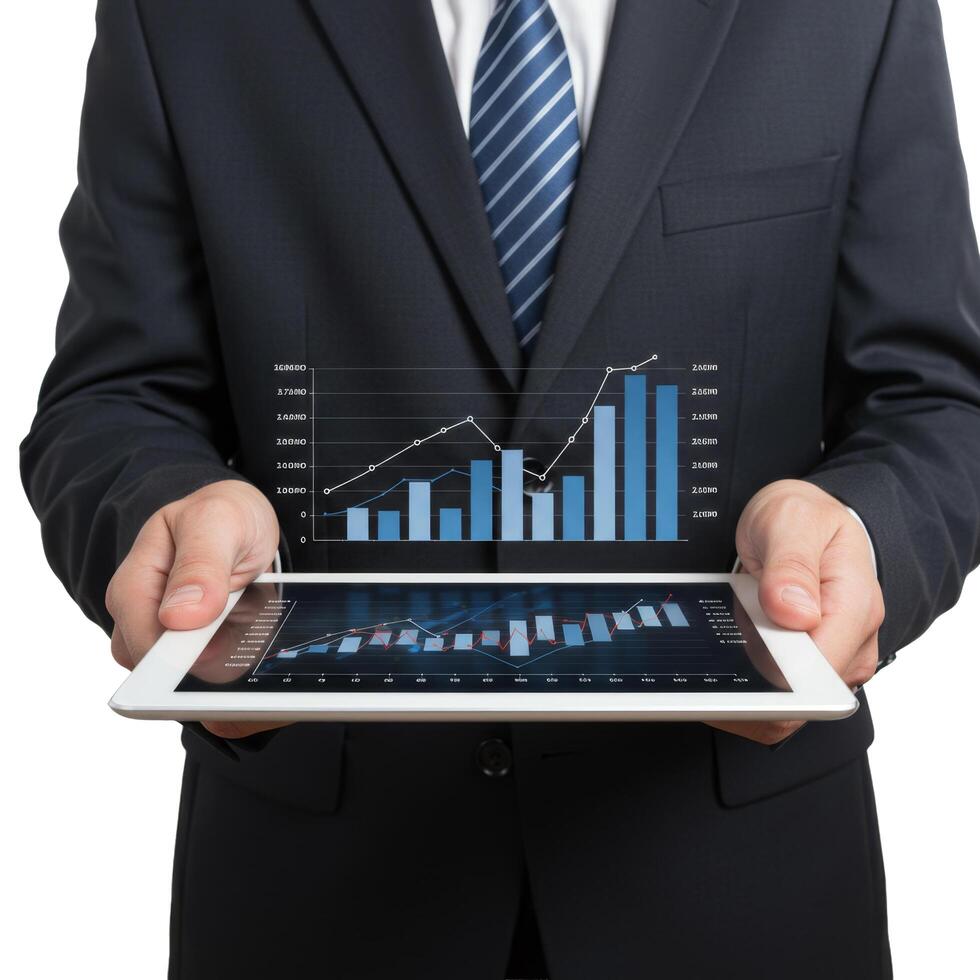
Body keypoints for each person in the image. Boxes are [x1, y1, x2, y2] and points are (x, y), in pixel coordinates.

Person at [21, 1, 980, 978]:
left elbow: (935, 398)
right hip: (318, 898)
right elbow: (113, 399)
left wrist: (862, 535)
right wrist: (169, 513)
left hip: (739, 888)